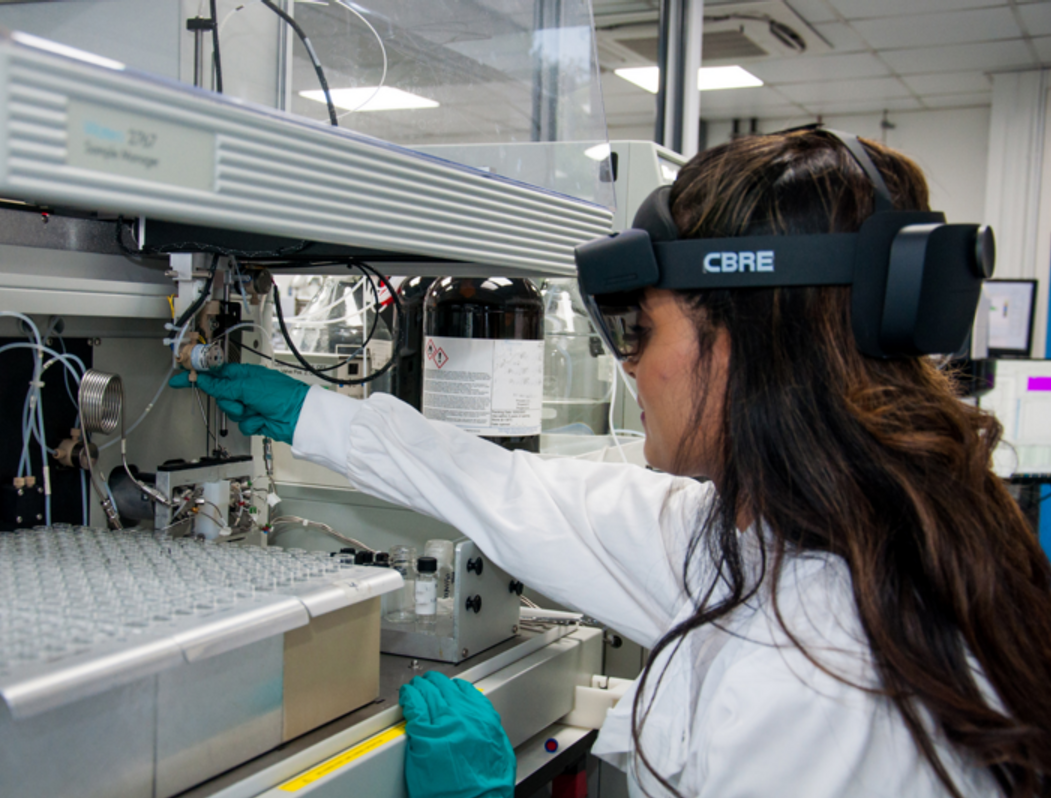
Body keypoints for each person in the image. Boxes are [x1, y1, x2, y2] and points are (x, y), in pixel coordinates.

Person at [171, 128, 1051, 798]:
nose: (629, 363)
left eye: (644, 327)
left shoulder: (823, 685)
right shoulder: (783, 538)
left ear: (743, 344)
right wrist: (314, 414)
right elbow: (519, 493)